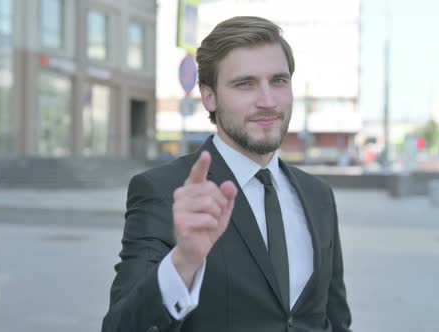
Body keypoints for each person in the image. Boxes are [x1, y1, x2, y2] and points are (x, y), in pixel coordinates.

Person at [102, 16, 352, 332]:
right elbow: (120, 326)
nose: (268, 101)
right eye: (244, 84)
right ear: (209, 96)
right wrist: (183, 263)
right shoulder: (164, 191)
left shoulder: (318, 195)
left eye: (278, 80)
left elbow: (336, 318)